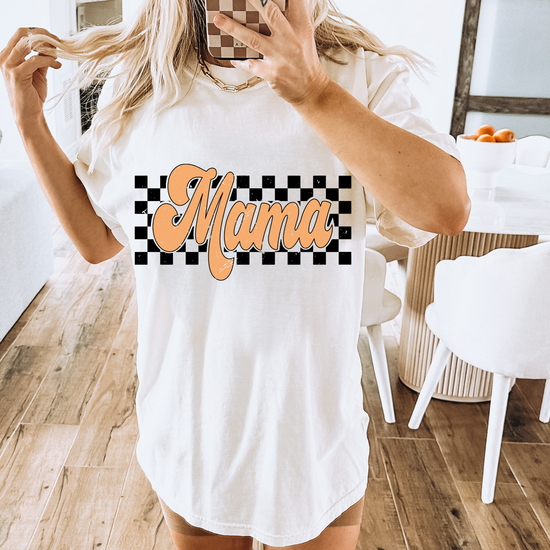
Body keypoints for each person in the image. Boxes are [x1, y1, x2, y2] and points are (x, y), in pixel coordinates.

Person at [0, 0, 470, 548]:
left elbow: (446, 209)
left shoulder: (358, 74)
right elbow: (97, 240)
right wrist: (30, 126)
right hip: (192, 432)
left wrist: (313, 92)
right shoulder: (140, 83)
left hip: (313, 438)